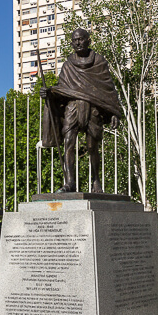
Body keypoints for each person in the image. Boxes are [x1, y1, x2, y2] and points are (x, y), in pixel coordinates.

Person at [40, 28, 122, 193]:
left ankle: (96, 182)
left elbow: (108, 89)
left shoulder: (99, 62)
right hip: (73, 107)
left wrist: (115, 112)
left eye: (81, 39)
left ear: (88, 40)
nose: (77, 42)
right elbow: (62, 89)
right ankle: (70, 183)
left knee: (92, 147)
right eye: (74, 40)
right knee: (68, 143)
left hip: (93, 109)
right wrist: (48, 93)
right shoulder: (68, 65)